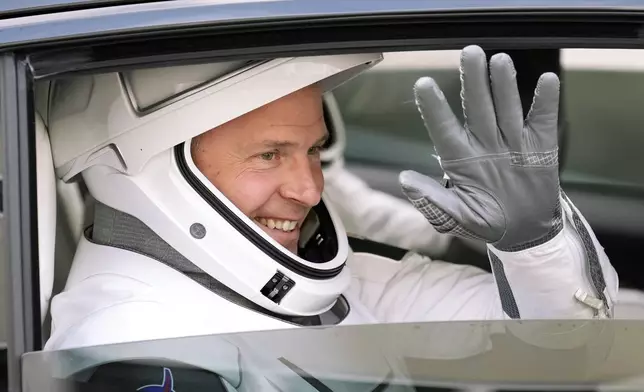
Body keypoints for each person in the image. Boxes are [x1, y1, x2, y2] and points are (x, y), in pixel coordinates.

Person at [43, 45, 617, 354]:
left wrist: (534, 245)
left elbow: (559, 340)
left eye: (313, 149)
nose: (310, 189)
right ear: (147, 168)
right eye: (269, 154)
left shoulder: (342, 279)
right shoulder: (130, 339)